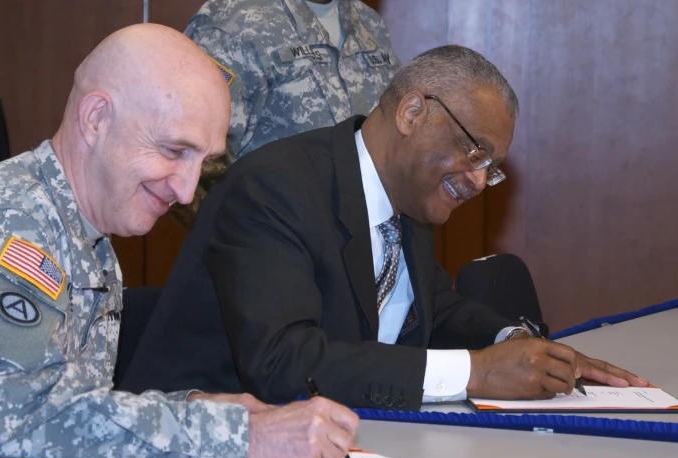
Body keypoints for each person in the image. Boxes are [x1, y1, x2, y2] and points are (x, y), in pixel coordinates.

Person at [0, 23, 357, 458]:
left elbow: (66, 405)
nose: (187, 190)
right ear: (95, 119)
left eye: (203, 162)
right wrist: (241, 437)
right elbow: (11, 417)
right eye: (174, 150)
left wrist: (198, 411)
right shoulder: (8, 222)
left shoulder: (85, 231)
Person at [116, 45, 648, 409]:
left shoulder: (406, 200)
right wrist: (477, 374)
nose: (482, 180)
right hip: (194, 454)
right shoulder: (275, 188)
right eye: (474, 151)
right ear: (413, 112)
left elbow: (436, 308)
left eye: (491, 165)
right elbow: (283, 363)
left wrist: (522, 346)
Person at [172, 0, 400, 224]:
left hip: (367, 244)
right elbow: (190, 165)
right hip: (271, 246)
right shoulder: (234, 21)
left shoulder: (369, 22)